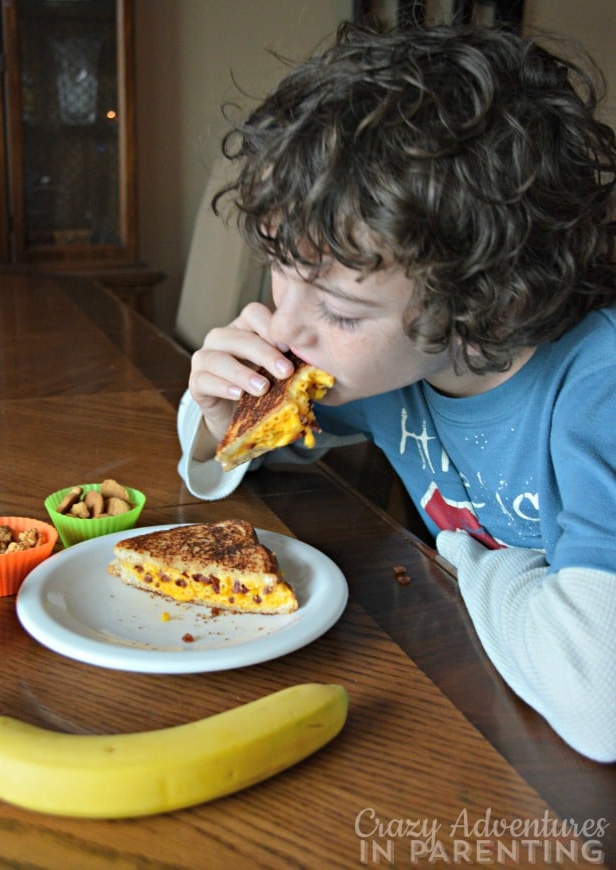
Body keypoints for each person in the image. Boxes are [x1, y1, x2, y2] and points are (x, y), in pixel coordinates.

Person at [177, 22, 616, 762]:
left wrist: (470, 561)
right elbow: (247, 463)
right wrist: (219, 415)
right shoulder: (384, 368)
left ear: (492, 302)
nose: (288, 325)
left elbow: (597, 704)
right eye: (282, 271)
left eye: (342, 310)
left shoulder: (595, 391)